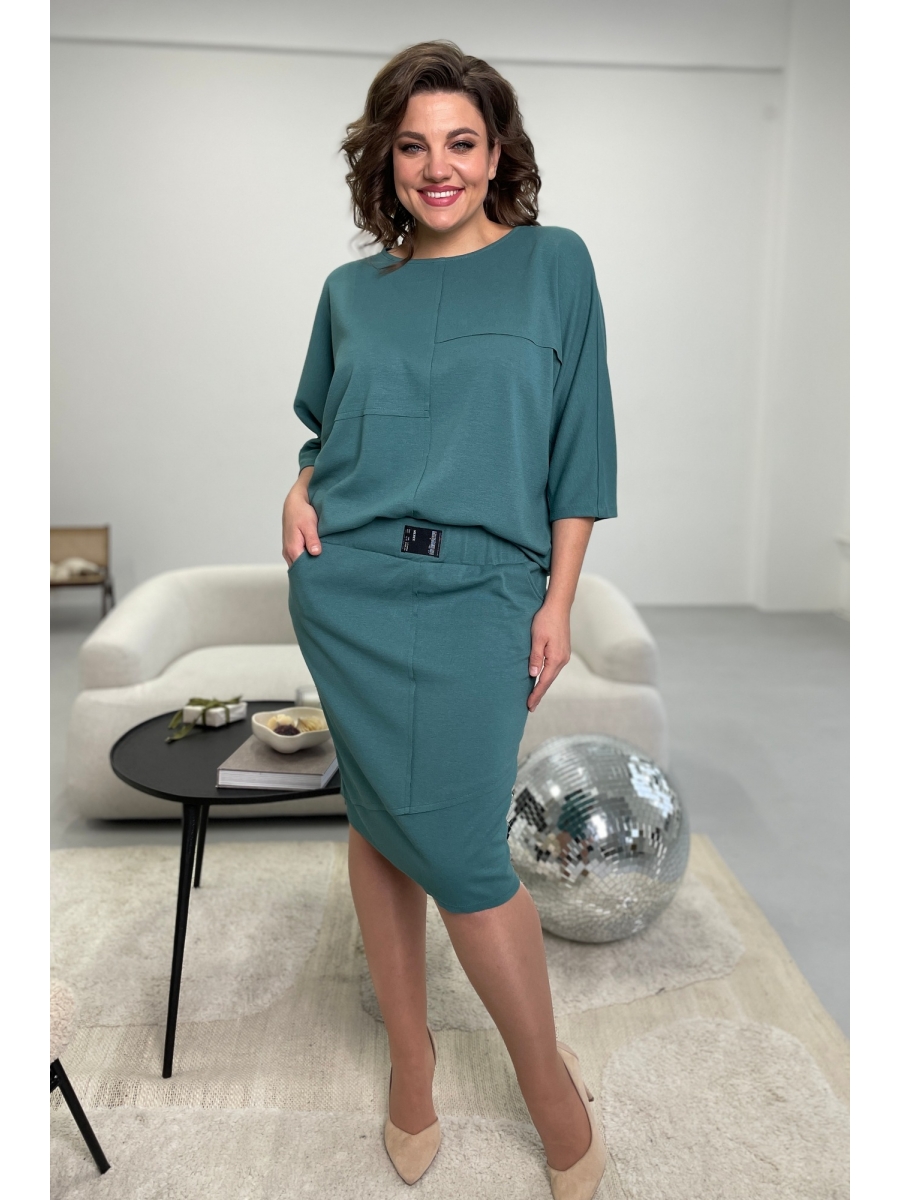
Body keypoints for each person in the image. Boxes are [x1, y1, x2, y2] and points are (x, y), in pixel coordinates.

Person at [281, 40, 616, 1199]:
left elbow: (580, 447)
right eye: (414, 145)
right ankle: (413, 1063)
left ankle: (546, 1086)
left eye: (461, 143)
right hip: (351, 587)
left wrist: (558, 599)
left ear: (497, 151)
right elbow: (330, 431)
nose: (439, 167)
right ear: (386, 160)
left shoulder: (554, 265)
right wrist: (299, 485)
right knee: (380, 822)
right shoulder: (350, 293)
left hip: (486, 589)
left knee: (464, 851)